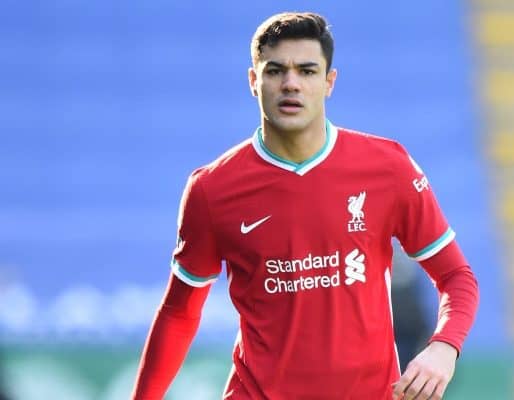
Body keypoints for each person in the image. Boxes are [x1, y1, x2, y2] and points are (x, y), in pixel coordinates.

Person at [132, 11, 479, 400]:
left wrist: (444, 347)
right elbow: (180, 312)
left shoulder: (388, 167)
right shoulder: (212, 189)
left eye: (307, 71)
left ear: (330, 82)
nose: (291, 84)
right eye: (276, 70)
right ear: (253, 81)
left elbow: (456, 277)